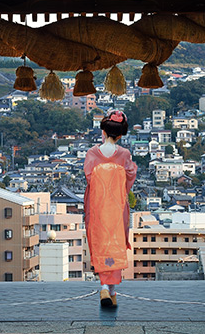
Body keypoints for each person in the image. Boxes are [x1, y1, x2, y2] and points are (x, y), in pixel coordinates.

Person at [84, 110, 137, 308]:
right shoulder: (124, 154)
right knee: (116, 242)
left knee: (99, 242)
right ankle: (110, 289)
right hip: (116, 206)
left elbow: (90, 176)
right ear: (121, 135)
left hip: (97, 206)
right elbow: (130, 175)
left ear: (103, 131)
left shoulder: (92, 153)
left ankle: (107, 288)